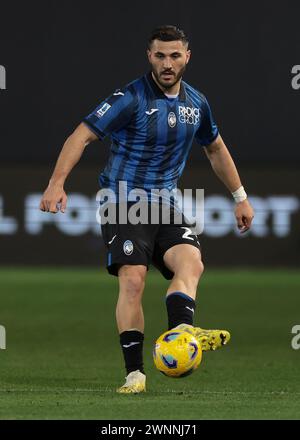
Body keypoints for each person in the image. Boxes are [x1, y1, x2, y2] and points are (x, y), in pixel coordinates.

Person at [40, 25, 254, 394]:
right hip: (123, 201)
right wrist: (56, 183)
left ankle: (183, 332)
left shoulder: (196, 104)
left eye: (174, 55)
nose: (167, 63)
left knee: (191, 263)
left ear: (187, 57)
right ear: (149, 57)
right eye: (159, 55)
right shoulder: (129, 98)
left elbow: (215, 149)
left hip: (166, 203)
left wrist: (240, 196)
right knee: (134, 277)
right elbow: (82, 135)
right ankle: (135, 374)